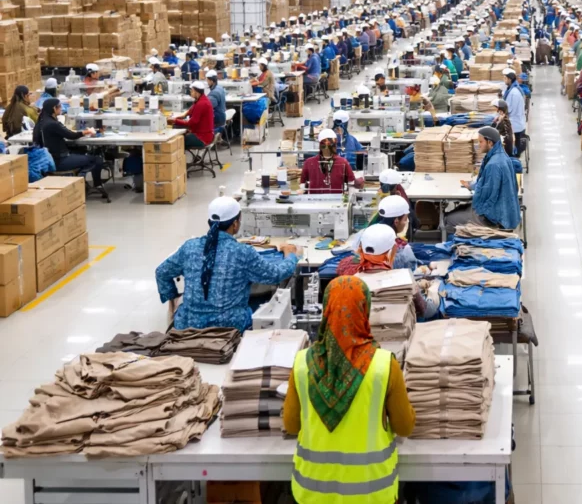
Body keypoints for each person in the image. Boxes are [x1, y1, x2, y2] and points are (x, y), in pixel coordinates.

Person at [284, 274, 414, 504]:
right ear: (365, 310)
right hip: (372, 494)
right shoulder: (384, 365)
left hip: (312, 494)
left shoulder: (302, 363)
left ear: (326, 309)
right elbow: (404, 427)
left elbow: (291, 425)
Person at [155, 197, 301, 331]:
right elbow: (276, 275)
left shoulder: (190, 247)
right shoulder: (242, 252)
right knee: (262, 302)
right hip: (229, 329)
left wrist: (173, 300)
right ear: (235, 224)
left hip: (189, 326)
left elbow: (161, 272)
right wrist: (291, 255)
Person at [444, 127, 520, 233]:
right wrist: (472, 185)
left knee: (449, 219)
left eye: (481, 142)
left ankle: (463, 244)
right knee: (461, 209)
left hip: (494, 218)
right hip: (504, 212)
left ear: (490, 142)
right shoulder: (503, 157)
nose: (478, 145)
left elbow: (486, 195)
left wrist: (475, 190)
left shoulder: (493, 165)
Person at [32, 98, 104, 188]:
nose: (61, 108)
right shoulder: (53, 124)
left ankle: (82, 180)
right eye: (60, 106)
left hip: (47, 160)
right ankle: (97, 185)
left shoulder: (40, 122)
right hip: (58, 161)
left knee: (81, 151)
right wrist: (86, 132)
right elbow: (71, 135)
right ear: (54, 108)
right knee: (97, 159)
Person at [172, 81, 215, 149]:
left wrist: (175, 121)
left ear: (196, 92)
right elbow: (191, 110)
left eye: (192, 91)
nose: (191, 93)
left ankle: (179, 159)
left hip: (202, 138)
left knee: (176, 142)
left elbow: (191, 123)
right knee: (180, 136)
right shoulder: (202, 100)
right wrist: (182, 116)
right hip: (206, 135)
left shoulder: (201, 104)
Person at [502, 68, 527, 156]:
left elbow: (509, 109)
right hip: (517, 123)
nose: (504, 80)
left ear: (509, 79)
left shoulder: (513, 93)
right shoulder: (514, 89)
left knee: (512, 152)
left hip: (515, 126)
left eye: (505, 78)